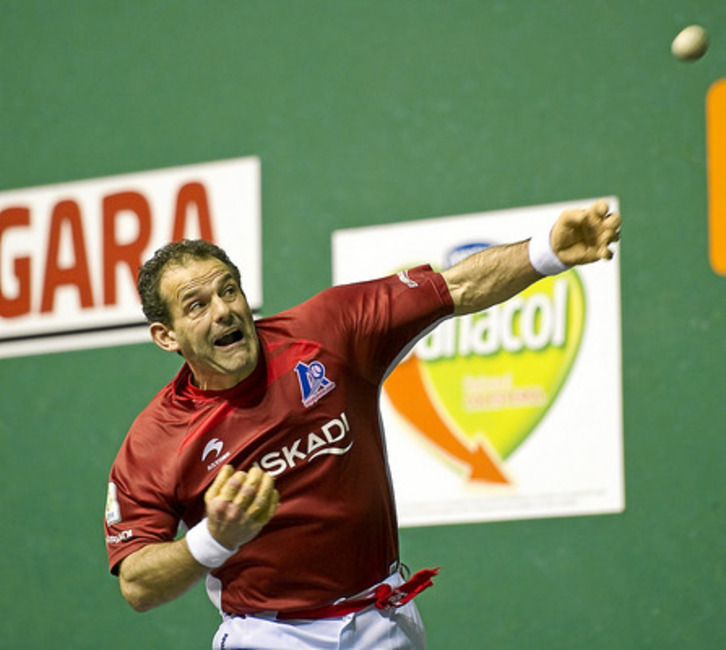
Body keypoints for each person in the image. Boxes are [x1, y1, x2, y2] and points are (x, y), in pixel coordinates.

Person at [104, 199, 620, 649]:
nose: (223, 311)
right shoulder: (155, 441)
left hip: (384, 620)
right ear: (166, 336)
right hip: (269, 636)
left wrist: (548, 252)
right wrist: (215, 538)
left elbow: (456, 286)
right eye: (197, 306)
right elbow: (136, 584)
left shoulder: (327, 332)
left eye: (229, 290)